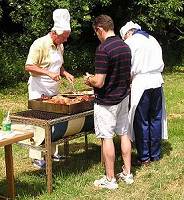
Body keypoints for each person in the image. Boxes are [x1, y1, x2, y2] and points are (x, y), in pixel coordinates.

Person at [84, 15, 134, 190]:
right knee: (124, 133)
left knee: (107, 137)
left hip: (107, 101)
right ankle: (128, 174)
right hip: (124, 96)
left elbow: (99, 82)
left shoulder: (103, 49)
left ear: (99, 29)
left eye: (95, 32)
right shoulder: (125, 46)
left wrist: (89, 79)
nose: (96, 36)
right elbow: (128, 76)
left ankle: (110, 179)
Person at [25, 8, 74, 169]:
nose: (65, 40)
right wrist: (48, 73)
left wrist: (64, 73)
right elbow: (29, 66)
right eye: (64, 37)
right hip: (39, 88)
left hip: (53, 89)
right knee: (39, 123)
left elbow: (58, 65)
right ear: (55, 33)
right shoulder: (39, 44)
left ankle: (52, 152)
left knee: (53, 122)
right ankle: (37, 156)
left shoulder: (59, 46)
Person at [120, 21, 168, 165]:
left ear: (128, 33)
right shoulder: (152, 39)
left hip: (141, 82)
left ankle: (144, 157)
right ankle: (155, 154)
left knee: (142, 120)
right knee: (155, 118)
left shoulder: (130, 43)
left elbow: (128, 67)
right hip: (157, 81)